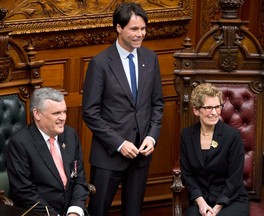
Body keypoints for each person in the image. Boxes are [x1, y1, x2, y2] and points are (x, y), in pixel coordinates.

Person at [82, 2, 164, 216]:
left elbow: (157, 105)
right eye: (134, 29)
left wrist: (152, 137)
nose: (141, 34)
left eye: (143, 29)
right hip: (108, 156)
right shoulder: (100, 63)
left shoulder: (150, 58)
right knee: (98, 210)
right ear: (119, 28)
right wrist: (119, 144)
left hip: (141, 155)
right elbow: (90, 112)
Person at [7, 87, 89, 216]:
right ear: (37, 114)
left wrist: (75, 210)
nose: (63, 118)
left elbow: (79, 179)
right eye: (56, 113)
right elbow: (24, 191)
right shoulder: (20, 144)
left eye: (64, 112)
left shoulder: (70, 135)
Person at [180, 83, 249, 216]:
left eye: (217, 107)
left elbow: (234, 178)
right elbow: (187, 175)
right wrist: (201, 203)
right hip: (202, 200)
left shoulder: (232, 136)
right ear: (196, 110)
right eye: (208, 108)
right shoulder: (187, 135)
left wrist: (217, 208)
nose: (214, 112)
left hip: (231, 200)